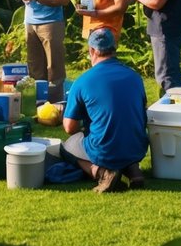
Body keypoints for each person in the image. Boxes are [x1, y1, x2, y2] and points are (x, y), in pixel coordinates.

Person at [61, 28, 148, 192]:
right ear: (114, 47)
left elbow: (69, 128)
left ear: (92, 50)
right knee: (123, 131)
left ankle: (102, 173)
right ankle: (134, 172)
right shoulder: (135, 77)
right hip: (138, 147)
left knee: (67, 146)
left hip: (105, 150)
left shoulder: (82, 81)